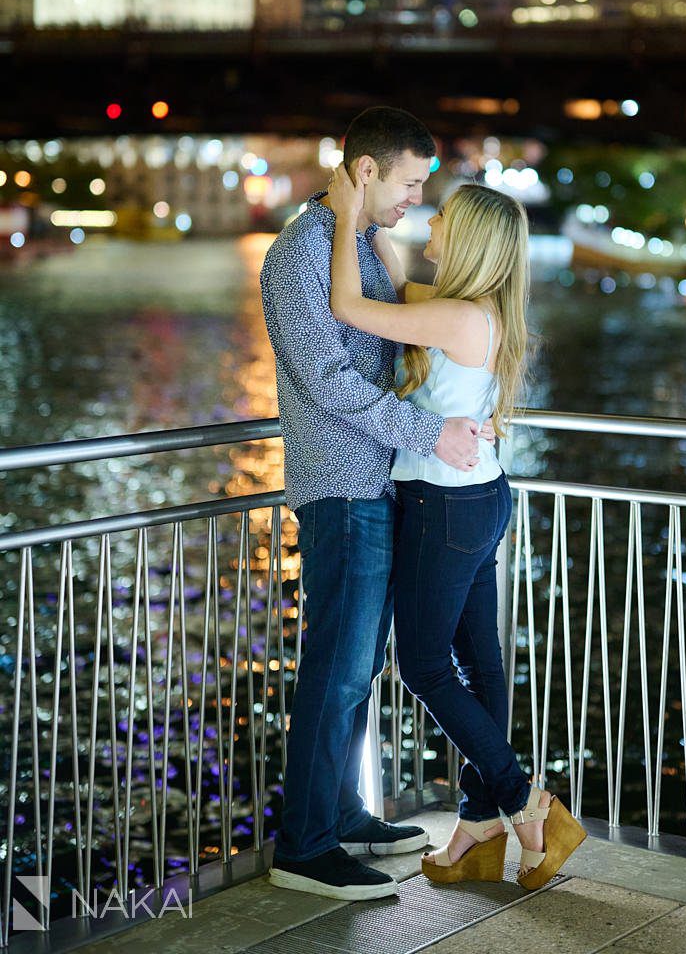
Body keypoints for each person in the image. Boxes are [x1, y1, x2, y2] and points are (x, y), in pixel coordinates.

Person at [325, 165, 587, 891]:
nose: (428, 225)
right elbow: (391, 282)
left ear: (467, 238)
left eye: (440, 219)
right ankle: (479, 822)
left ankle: (522, 798)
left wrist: (347, 216)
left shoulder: (456, 317)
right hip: (475, 500)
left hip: (443, 510)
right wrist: (375, 231)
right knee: (482, 665)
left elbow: (348, 305)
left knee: (425, 666)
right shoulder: (467, 311)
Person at [260, 106, 494, 902]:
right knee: (335, 671)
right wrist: (430, 433)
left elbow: (407, 341)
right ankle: (304, 847)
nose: (415, 196)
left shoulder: (355, 243)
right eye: (408, 180)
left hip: (382, 481)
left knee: (355, 672)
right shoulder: (297, 255)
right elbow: (328, 381)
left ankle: (344, 812)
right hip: (341, 486)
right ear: (365, 169)